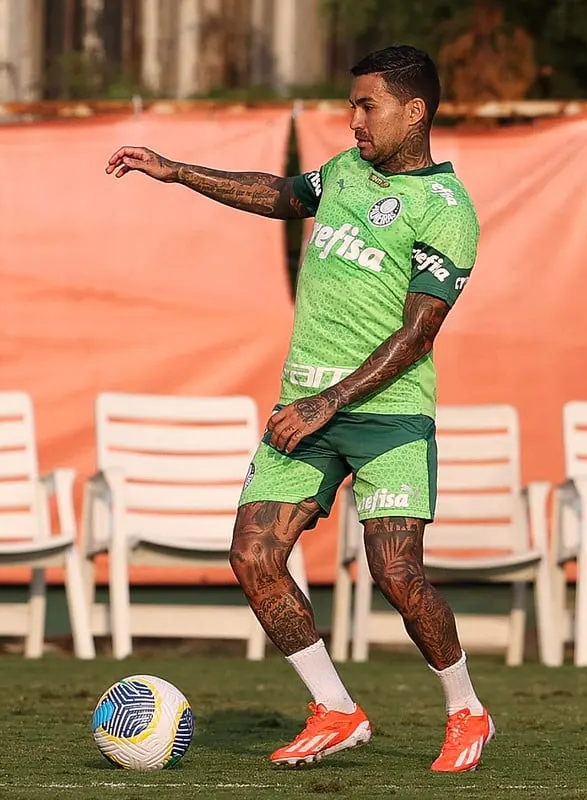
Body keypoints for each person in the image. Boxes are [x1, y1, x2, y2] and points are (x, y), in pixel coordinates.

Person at [105, 44, 492, 773]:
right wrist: (178, 171)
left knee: (398, 573)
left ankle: (467, 710)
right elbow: (281, 193)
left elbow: (417, 335)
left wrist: (330, 401)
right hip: (305, 408)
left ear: (415, 111)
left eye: (366, 105)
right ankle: (336, 709)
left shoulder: (448, 211)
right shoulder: (345, 174)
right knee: (253, 555)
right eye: (351, 105)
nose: (353, 121)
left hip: (388, 413)